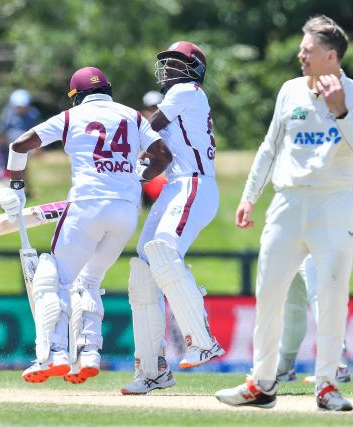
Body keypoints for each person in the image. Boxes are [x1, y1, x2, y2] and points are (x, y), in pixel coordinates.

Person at [215, 15, 353, 411]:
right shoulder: (290, 90)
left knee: (332, 294)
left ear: (331, 56)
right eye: (302, 49)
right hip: (287, 203)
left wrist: (340, 112)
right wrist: (250, 195)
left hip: (333, 203)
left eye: (308, 50)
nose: (300, 55)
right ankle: (262, 383)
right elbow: (270, 146)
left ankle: (326, 385)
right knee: (269, 292)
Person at [0, 66, 171, 385]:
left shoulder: (69, 117)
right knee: (89, 280)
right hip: (126, 211)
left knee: (53, 277)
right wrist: (138, 177)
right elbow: (162, 157)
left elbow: (19, 144)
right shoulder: (133, 116)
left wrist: (17, 188)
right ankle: (89, 354)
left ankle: (54, 355)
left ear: (75, 96)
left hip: (86, 205)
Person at [121, 41, 224, 395]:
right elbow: (160, 157)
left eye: (176, 62)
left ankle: (202, 339)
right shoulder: (180, 93)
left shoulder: (187, 90)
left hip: (194, 183)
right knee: (143, 267)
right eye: (166, 62)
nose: (168, 68)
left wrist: (116, 155)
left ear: (194, 68)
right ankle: (153, 370)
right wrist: (134, 173)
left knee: (163, 250)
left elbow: (148, 130)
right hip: (176, 184)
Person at [275, 255, 351, 384]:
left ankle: (337, 364)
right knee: (292, 307)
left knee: (320, 297)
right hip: (288, 243)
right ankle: (283, 368)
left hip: (316, 241)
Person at [140, 90, 167, 206]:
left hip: (164, 178)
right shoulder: (139, 128)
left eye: (156, 108)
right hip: (145, 177)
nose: (153, 112)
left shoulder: (170, 129)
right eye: (151, 108)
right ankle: (139, 204)